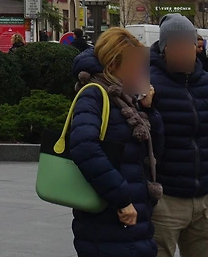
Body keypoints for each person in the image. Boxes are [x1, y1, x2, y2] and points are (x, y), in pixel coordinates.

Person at [67, 27, 163, 257]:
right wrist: (122, 199)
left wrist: (149, 110)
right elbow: (84, 147)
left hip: (132, 220)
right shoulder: (94, 95)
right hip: (108, 222)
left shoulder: (126, 98)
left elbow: (155, 150)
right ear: (112, 66)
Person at [149, 13, 208, 257]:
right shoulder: (147, 85)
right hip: (165, 201)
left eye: (190, 45)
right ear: (165, 49)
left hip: (206, 200)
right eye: (178, 46)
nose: (186, 52)